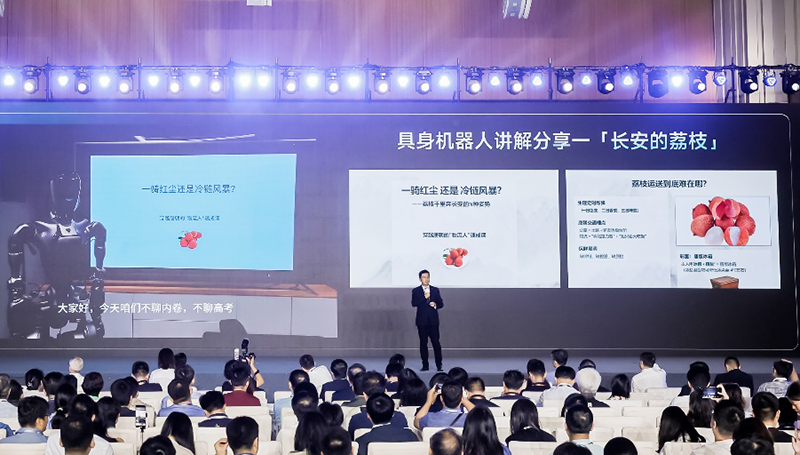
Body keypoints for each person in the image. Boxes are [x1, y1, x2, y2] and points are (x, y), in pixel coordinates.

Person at [412, 269, 444, 371]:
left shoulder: (435, 290)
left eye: (428, 277)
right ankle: (425, 365)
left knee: (436, 343)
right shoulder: (416, 291)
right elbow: (414, 303)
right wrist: (424, 297)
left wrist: (435, 304)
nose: (426, 279)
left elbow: (441, 304)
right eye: (424, 277)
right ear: (420, 279)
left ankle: (439, 365)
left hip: (433, 321)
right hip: (422, 321)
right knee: (423, 343)